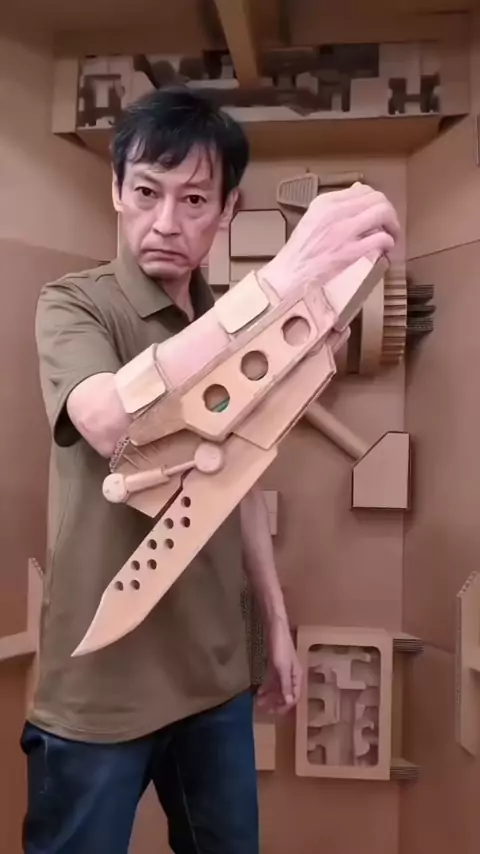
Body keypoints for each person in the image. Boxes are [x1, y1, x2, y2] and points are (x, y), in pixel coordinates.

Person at [23, 87, 399, 854]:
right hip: (99, 688)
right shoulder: (74, 305)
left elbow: (239, 481)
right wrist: (279, 284)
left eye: (194, 199)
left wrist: (275, 625)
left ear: (227, 210)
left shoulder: (230, 318)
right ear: (117, 192)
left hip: (215, 679)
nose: (167, 221)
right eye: (146, 192)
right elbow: (107, 419)